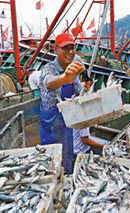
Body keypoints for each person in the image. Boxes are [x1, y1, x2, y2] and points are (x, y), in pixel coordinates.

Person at [39, 33, 85, 174]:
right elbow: (49, 83)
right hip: (51, 125)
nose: (70, 52)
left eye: (72, 48)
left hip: (66, 124)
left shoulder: (71, 69)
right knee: (53, 162)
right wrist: (64, 78)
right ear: (56, 49)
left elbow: (79, 91)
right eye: (66, 48)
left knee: (67, 158)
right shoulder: (49, 68)